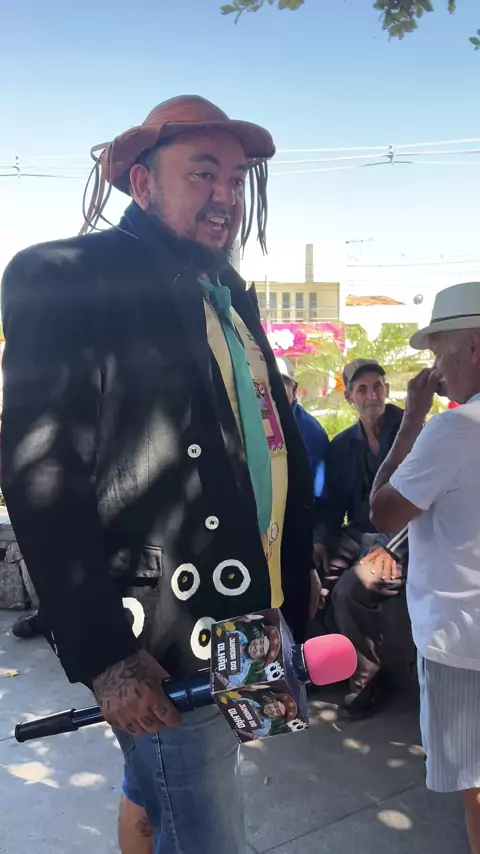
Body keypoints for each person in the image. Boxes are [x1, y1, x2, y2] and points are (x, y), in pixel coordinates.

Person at [1, 95, 317, 854]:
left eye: (235, 179)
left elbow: (259, 440)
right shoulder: (68, 275)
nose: (226, 195)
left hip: (254, 609)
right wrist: (106, 657)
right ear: (142, 185)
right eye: (203, 174)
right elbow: (41, 474)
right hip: (166, 636)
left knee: (165, 786)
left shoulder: (225, 288)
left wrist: (289, 570)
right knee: (206, 830)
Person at [370, 281, 480, 854]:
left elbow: (382, 510)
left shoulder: (455, 429)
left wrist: (411, 420)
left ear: (475, 348)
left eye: (440, 351)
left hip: (462, 642)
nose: (435, 369)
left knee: (477, 787)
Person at [319, 358, 413, 717]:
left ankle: (368, 681)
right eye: (362, 389)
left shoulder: (411, 431)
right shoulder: (343, 444)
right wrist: (320, 541)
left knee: (350, 589)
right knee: (314, 576)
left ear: (386, 390)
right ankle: (328, 666)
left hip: (402, 540)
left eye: (378, 386)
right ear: (349, 397)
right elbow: (332, 505)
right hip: (359, 535)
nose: (372, 395)